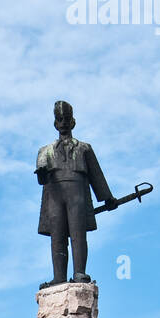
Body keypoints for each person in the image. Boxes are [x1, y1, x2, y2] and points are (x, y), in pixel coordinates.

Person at [36, 100, 116, 287]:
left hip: (77, 194)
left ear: (73, 122)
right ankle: (59, 277)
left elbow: (96, 175)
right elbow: (41, 178)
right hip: (55, 196)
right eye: (59, 119)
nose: (63, 122)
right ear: (55, 123)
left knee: (78, 233)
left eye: (66, 119)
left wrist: (107, 198)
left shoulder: (84, 148)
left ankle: (79, 272)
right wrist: (41, 171)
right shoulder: (44, 151)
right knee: (58, 236)